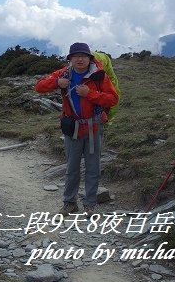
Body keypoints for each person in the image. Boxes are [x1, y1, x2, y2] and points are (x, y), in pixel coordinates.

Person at [34, 42, 119, 215]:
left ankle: (90, 205)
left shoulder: (99, 76)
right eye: (76, 56)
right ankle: (70, 203)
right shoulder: (64, 74)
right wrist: (58, 82)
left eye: (84, 56)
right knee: (72, 168)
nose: (80, 59)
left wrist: (90, 94)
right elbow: (39, 87)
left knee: (93, 167)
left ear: (90, 58)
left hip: (94, 126)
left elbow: (113, 99)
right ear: (70, 59)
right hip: (73, 127)